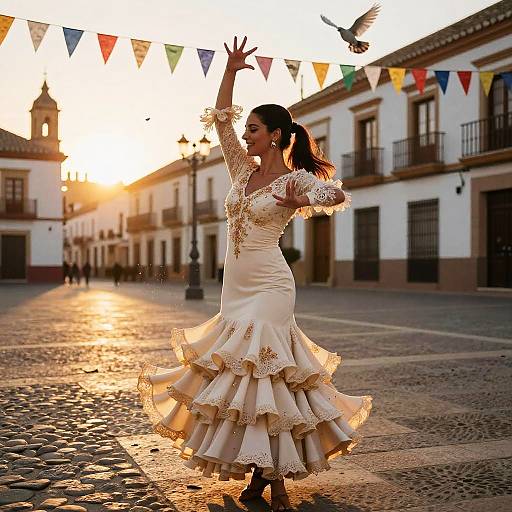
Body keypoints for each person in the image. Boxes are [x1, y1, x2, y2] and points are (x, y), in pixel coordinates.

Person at [138, 36, 372, 511]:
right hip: (235, 287)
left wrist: (304, 200)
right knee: (241, 380)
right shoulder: (241, 172)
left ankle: (277, 480)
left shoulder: (293, 179)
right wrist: (230, 72)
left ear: (277, 135)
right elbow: (220, 119)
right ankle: (257, 472)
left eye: (255, 129)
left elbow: (337, 197)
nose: (246, 135)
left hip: (270, 284)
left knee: (268, 376)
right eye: (247, 130)